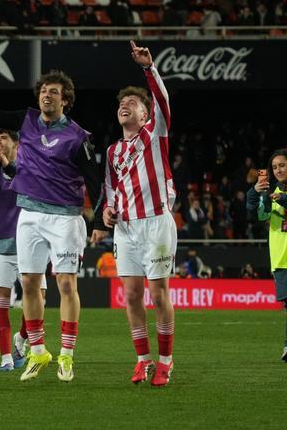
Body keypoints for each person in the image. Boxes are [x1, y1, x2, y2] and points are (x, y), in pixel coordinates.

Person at [0, 64, 106, 382]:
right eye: (44, 91)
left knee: (66, 285)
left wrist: (100, 221)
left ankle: (67, 355)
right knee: (30, 284)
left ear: (65, 100)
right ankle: (37, 351)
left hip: (65, 217)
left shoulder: (77, 137)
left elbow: (94, 180)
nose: (47, 95)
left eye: (54, 92)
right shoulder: (27, 119)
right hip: (29, 215)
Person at [94, 41, 177, 386]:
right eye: (122, 104)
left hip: (156, 223)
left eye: (133, 103)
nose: (125, 105)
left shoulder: (154, 134)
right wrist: (108, 211)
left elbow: (162, 101)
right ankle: (143, 360)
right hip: (126, 229)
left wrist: (148, 68)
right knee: (130, 295)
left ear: (145, 115)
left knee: (158, 294)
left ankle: (166, 361)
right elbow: (110, 189)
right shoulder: (112, 151)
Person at [0, 127, 43, 372]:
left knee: (39, 298)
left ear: (16, 143)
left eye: (3, 138)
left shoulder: (30, 168)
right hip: (0, 242)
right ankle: (6, 357)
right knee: (1, 299)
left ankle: (22, 338)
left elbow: (26, 184)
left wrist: (6, 163)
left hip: (31, 241)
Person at [246, 148, 287, 362]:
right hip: (281, 257)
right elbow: (258, 214)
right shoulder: (270, 191)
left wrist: (283, 198)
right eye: (275, 167)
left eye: (282, 165)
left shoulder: (279, 194)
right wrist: (255, 191)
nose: (278, 170)